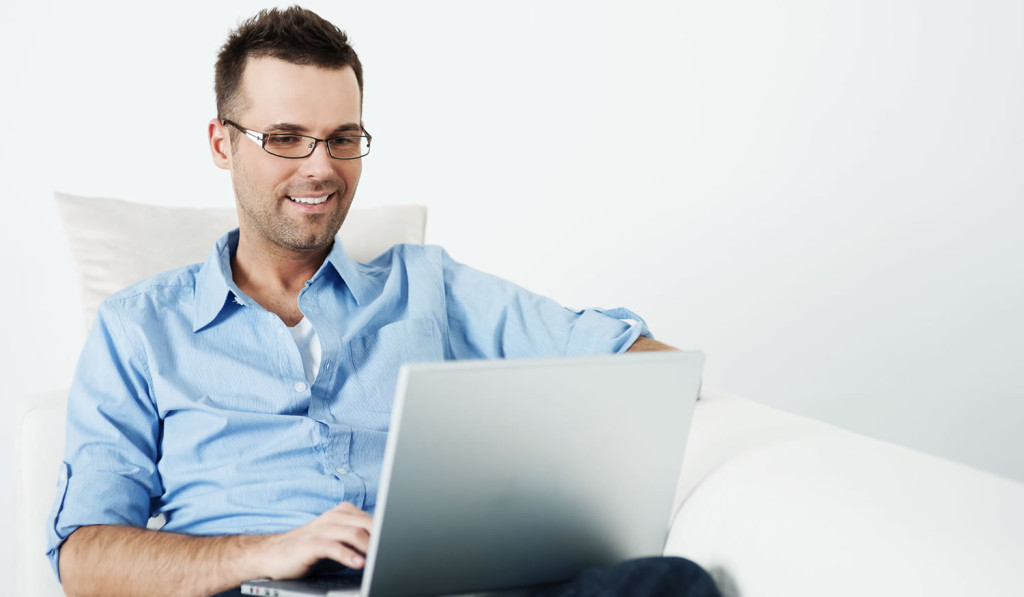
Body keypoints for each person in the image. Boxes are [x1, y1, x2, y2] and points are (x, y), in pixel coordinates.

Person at [46, 7, 718, 597]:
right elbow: (86, 559)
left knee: (674, 582)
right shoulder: (138, 328)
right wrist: (271, 550)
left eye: (342, 138)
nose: (320, 166)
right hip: (252, 589)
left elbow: (646, 366)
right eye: (284, 138)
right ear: (223, 144)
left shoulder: (428, 288)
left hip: (440, 584)